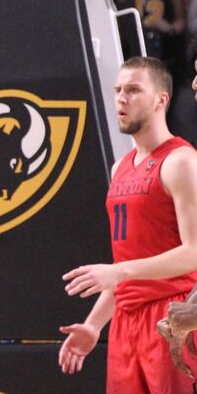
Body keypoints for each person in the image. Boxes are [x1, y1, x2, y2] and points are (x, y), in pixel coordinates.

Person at [59, 57, 197, 393]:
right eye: (118, 90)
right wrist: (93, 326)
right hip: (125, 322)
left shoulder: (181, 161)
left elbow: (195, 252)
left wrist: (119, 273)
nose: (122, 98)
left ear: (161, 99)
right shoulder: (120, 167)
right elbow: (123, 265)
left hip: (172, 315)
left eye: (133, 90)